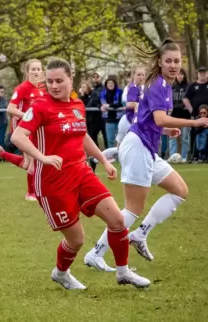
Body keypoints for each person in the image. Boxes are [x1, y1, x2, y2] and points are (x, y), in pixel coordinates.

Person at [10, 58, 150, 289]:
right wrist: (43, 157)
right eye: (50, 81)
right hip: (52, 182)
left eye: (59, 81)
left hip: (82, 173)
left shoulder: (77, 105)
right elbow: (18, 136)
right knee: (77, 239)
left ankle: (123, 272)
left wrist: (104, 161)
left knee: (117, 220)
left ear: (70, 79)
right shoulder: (40, 107)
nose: (54, 86)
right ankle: (61, 273)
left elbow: (82, 135)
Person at [85, 39, 208, 271]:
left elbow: (151, 120)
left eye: (177, 61)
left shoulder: (162, 85)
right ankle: (96, 253)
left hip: (146, 147)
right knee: (132, 209)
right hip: (138, 147)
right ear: (160, 62)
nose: (173, 65)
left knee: (179, 190)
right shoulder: (159, 85)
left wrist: (164, 130)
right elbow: (160, 117)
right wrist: (195, 122)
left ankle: (140, 235)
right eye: (168, 61)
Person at [0, 59, 46, 201]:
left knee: (28, 163)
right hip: (23, 129)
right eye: (33, 69)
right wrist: (27, 116)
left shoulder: (43, 89)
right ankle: (31, 193)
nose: (36, 72)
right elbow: (10, 109)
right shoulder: (22, 88)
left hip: (37, 129)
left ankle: (3, 153)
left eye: (39, 69)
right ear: (27, 72)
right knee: (33, 161)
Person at [87, 66, 145, 173]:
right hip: (128, 121)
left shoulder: (142, 88)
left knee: (127, 147)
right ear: (133, 76)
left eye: (143, 75)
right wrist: (145, 105)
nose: (141, 77)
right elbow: (129, 104)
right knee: (121, 148)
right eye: (138, 75)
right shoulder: (133, 88)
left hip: (135, 121)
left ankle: (94, 160)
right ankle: (95, 159)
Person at [168, 69, 190, 163]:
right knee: (172, 137)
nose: (180, 76)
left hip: (185, 116)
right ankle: (173, 156)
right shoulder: (172, 87)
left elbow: (189, 100)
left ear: (184, 76)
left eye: (182, 74)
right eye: (178, 74)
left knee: (184, 138)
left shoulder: (188, 87)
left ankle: (184, 156)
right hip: (173, 116)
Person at [100, 77, 124, 148]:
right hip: (108, 119)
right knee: (110, 139)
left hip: (119, 118)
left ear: (115, 84)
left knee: (120, 139)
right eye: (109, 83)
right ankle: (111, 156)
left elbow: (120, 103)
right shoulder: (103, 94)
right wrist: (100, 107)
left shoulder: (120, 92)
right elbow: (99, 104)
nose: (110, 84)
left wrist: (109, 105)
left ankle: (120, 155)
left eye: (112, 83)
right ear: (106, 85)